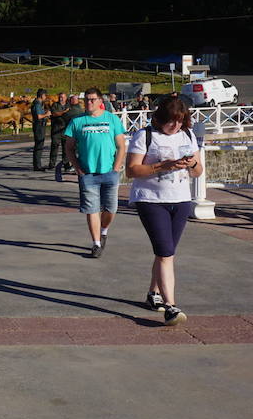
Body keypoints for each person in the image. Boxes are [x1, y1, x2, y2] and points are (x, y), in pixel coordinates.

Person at [125, 95, 203, 325]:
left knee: (165, 253)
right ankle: (171, 307)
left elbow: (198, 171)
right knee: (166, 253)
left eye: (180, 121)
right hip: (151, 200)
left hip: (181, 199)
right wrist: (162, 165)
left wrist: (191, 163)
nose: (175, 125)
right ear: (160, 118)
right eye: (171, 121)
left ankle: (153, 293)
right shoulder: (145, 135)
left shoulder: (188, 135)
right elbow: (131, 170)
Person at [63, 88, 127, 258]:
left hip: (109, 172)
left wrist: (116, 168)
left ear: (100, 101)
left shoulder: (112, 119)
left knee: (111, 209)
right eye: (86, 100)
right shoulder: (77, 122)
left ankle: (103, 231)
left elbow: (121, 146)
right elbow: (69, 148)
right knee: (92, 209)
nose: (89, 102)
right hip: (88, 174)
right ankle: (96, 243)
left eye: (92, 99)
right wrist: (78, 168)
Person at [53, 94, 84, 182]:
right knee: (76, 150)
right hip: (78, 133)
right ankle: (72, 166)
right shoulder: (80, 109)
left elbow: (64, 117)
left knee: (70, 149)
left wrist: (60, 114)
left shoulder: (72, 110)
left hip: (72, 132)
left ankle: (74, 166)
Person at [31, 88, 48, 170]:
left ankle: (37, 164)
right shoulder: (37, 104)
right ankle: (37, 166)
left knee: (39, 145)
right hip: (39, 126)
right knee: (39, 145)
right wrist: (46, 114)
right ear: (42, 95)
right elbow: (38, 116)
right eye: (45, 95)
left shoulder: (39, 104)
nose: (46, 97)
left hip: (40, 126)